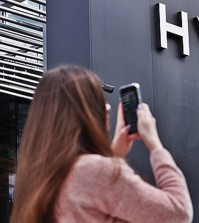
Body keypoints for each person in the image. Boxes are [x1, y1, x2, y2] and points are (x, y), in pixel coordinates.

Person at [10, 65, 193, 223]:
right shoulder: (93, 170)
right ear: (83, 113)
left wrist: (114, 156)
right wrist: (155, 144)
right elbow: (179, 212)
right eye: (97, 100)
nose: (107, 108)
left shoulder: (37, 174)